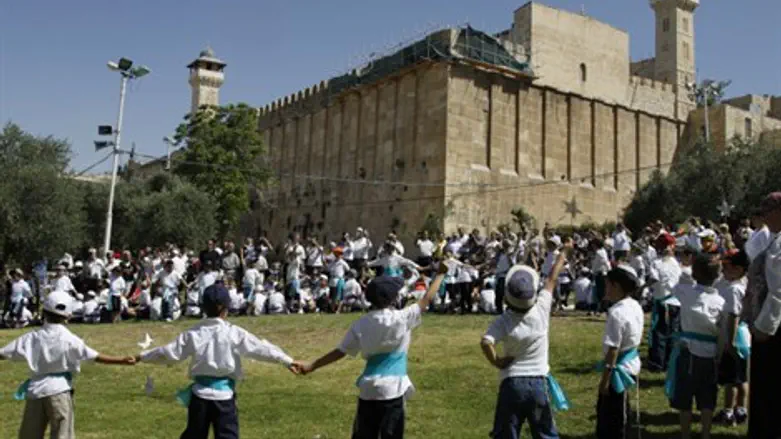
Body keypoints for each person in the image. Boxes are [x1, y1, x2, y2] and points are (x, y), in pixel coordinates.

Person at [292, 262, 448, 439]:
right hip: (393, 388)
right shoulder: (402, 318)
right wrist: (440, 274)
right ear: (393, 299)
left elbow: (340, 351)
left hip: (368, 389)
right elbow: (426, 299)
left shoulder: (361, 323)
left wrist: (312, 365)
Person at [136, 283, 298, 439]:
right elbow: (261, 349)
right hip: (224, 399)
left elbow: (169, 353)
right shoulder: (233, 333)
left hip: (199, 398)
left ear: (204, 308)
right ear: (226, 309)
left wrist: (142, 356)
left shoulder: (194, 333)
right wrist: (287, 361)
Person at [0, 290, 136, 439]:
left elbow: (4, 353)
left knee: (29, 434)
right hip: (60, 390)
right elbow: (93, 356)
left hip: (35, 391)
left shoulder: (32, 337)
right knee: (62, 434)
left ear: (44, 312)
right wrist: (121, 360)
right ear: (68, 316)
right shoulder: (69, 338)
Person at [480, 238, 573, 439]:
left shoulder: (503, 320)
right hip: (539, 382)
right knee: (544, 433)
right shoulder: (541, 309)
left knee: (506, 432)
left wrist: (496, 361)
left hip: (511, 382)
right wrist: (564, 252)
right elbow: (551, 279)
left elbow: (486, 342)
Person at [666, 253, 726, 439]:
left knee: (685, 396)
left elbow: (672, 287)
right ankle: (705, 433)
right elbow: (722, 332)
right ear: (718, 276)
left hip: (687, 350)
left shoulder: (685, 292)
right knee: (708, 396)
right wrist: (720, 354)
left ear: (694, 273)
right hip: (711, 352)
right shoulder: (721, 302)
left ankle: (686, 434)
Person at [744, 193, 781, 439]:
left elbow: (778, 290)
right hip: (769, 324)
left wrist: (765, 327)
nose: (764, 215)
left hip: (774, 330)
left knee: (770, 387)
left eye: (769, 209)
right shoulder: (774, 240)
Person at [596, 264, 644, 439]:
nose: (605, 288)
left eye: (608, 284)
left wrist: (605, 381)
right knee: (622, 412)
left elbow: (613, 349)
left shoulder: (616, 313)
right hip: (631, 364)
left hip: (619, 369)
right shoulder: (635, 305)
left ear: (616, 286)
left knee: (612, 418)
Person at [714, 249, 750, 427]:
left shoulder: (734, 289)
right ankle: (741, 409)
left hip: (734, 335)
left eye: (726, 267)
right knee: (741, 376)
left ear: (738, 269)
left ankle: (728, 412)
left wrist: (730, 341)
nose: (723, 270)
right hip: (743, 336)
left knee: (731, 379)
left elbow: (734, 315)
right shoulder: (740, 284)